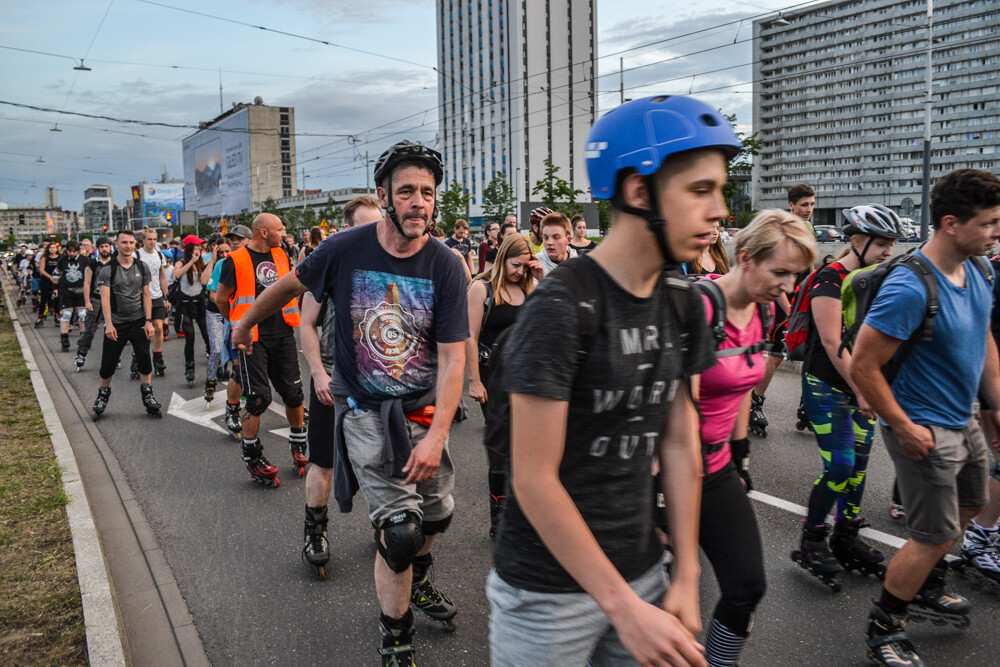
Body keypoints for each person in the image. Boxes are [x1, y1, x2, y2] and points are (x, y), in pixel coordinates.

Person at [488, 94, 740, 667]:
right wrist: (623, 607)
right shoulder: (561, 306)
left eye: (719, 190)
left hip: (644, 574)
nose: (720, 209)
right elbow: (532, 478)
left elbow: (680, 442)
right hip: (546, 595)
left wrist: (686, 576)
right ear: (636, 190)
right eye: (700, 190)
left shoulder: (681, 300)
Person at [232, 140, 468, 666]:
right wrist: (246, 323)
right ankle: (396, 636)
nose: (418, 203)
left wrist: (437, 434)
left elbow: (455, 359)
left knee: (436, 518)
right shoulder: (345, 248)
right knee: (401, 532)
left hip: (424, 412)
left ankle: (418, 583)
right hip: (365, 410)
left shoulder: (446, 264)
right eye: (406, 191)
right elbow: (291, 287)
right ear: (384, 196)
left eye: (427, 193)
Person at [850, 169, 1000, 666]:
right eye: (990, 224)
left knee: (972, 507)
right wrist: (903, 425)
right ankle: (885, 625)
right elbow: (863, 365)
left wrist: (996, 407)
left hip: (965, 420)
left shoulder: (979, 270)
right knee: (932, 535)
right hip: (924, 427)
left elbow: (984, 340)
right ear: (951, 223)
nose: (997, 232)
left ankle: (928, 582)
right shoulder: (910, 287)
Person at [693, 209, 816, 666]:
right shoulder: (701, 306)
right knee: (651, 600)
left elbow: (743, 390)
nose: (789, 286)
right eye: (780, 272)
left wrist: (740, 459)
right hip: (664, 470)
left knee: (746, 586)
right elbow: (669, 409)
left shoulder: (763, 309)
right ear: (745, 258)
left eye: (795, 275)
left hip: (718, 465)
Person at [792, 204, 905, 591]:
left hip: (860, 385)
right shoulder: (829, 277)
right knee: (839, 466)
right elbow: (831, 340)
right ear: (857, 240)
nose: (889, 251)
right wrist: (861, 388)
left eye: (892, 243)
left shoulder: (879, 276)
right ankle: (811, 539)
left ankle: (846, 534)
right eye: (882, 243)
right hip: (827, 384)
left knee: (858, 467)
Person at [216, 214, 305, 487]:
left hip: (283, 333)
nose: (285, 232)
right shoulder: (236, 260)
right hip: (253, 338)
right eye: (280, 229)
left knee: (293, 393)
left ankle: (299, 444)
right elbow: (221, 298)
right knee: (258, 399)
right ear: (263, 232)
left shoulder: (281, 254)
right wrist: (238, 325)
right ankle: (252, 456)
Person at [465, 234, 535, 537]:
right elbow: (469, 336)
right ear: (503, 258)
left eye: (524, 266)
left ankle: (524, 509)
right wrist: (475, 380)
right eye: (515, 265)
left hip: (527, 379)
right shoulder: (482, 288)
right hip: (492, 379)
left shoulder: (530, 288)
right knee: (501, 447)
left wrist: (540, 278)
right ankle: (499, 514)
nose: (519, 271)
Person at [749, 183, 816, 437]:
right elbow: (775, 278)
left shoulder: (808, 228)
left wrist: (812, 296)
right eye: (804, 205)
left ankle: (807, 406)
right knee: (777, 355)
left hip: (802, 300)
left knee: (811, 351)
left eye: (812, 204)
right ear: (791, 205)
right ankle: (755, 404)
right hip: (782, 300)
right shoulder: (784, 233)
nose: (809, 209)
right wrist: (790, 311)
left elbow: (809, 267)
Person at [91, 230, 161, 418]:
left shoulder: (142, 267)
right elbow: (105, 301)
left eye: (131, 242)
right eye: (124, 243)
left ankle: (148, 395)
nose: (128, 246)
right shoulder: (108, 270)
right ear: (116, 244)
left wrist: (148, 321)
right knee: (108, 364)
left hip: (138, 321)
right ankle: (102, 395)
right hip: (117, 324)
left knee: (145, 361)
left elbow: (146, 295)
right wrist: (109, 324)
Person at [215, 224, 253, 436]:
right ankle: (231, 410)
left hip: (263, 326)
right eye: (232, 238)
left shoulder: (260, 259)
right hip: (238, 326)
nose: (235, 241)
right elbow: (216, 297)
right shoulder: (226, 263)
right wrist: (235, 321)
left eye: (240, 238)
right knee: (239, 370)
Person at [173, 235, 210, 387]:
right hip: (185, 303)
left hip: (199, 302)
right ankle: (190, 367)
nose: (199, 249)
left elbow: (205, 281)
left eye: (200, 246)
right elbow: (177, 275)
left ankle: (214, 359)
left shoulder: (203, 263)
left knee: (207, 333)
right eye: (196, 246)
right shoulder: (181, 262)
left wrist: (212, 260)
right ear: (189, 248)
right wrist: (191, 262)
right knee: (190, 337)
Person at [202, 237, 232, 404]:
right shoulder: (217, 264)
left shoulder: (235, 263)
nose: (225, 254)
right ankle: (210, 382)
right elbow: (205, 282)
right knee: (216, 351)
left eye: (227, 251)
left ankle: (240, 384)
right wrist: (213, 260)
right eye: (221, 252)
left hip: (233, 313)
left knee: (236, 351)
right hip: (215, 312)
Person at [76, 237, 113, 370]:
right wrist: (87, 301)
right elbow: (86, 282)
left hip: (112, 300)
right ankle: (81, 353)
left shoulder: (115, 262)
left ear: (110, 247)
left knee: (112, 328)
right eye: (102, 246)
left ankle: (114, 355)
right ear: (97, 248)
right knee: (90, 328)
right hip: (95, 299)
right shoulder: (92, 263)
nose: (104, 249)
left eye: (107, 246)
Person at [137, 229, 170, 377]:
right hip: (141, 297)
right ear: (143, 240)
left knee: (158, 327)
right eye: (149, 239)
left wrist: (166, 296)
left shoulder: (159, 255)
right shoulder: (136, 255)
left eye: (154, 239)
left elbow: (162, 277)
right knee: (142, 330)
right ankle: (136, 357)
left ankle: (158, 356)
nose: (152, 242)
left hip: (156, 296)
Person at [52, 240, 88, 353]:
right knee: (67, 314)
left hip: (81, 290)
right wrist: (55, 288)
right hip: (66, 290)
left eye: (74, 251)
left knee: (82, 314)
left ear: (78, 251)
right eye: (69, 251)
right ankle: (64, 338)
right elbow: (56, 273)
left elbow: (90, 275)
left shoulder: (85, 260)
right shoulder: (62, 259)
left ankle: (83, 339)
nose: (72, 253)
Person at [534, 211, 577, 276]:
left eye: (556, 237)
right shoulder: (535, 265)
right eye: (546, 237)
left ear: (568, 240)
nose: (549, 242)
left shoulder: (579, 265)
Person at [35, 241, 60, 328]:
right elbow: (42, 270)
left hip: (57, 281)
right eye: (50, 248)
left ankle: (57, 317)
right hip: (46, 281)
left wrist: (58, 277)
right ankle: (40, 317)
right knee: (43, 299)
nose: (52, 249)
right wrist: (50, 277)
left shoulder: (60, 258)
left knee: (57, 300)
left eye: (54, 247)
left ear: (56, 249)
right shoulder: (44, 258)